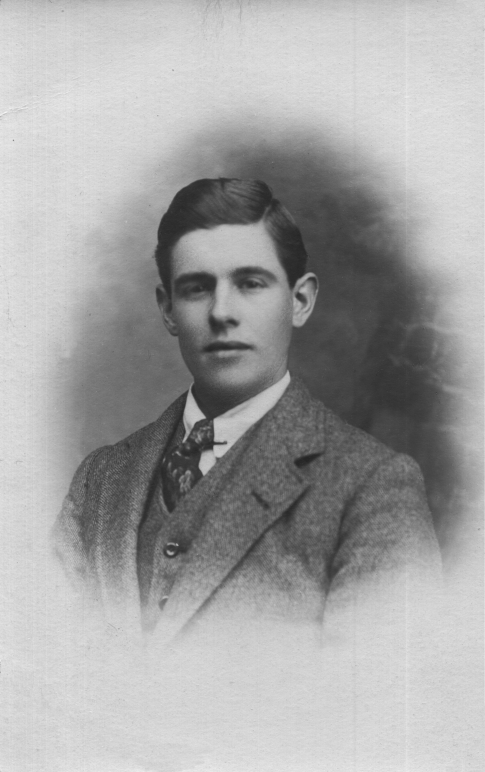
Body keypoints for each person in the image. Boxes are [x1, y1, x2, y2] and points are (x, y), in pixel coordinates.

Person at [53, 178, 441, 648]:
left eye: (250, 284)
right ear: (168, 309)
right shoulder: (100, 480)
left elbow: (372, 686)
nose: (222, 312)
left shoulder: (373, 488)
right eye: (197, 288)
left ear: (299, 301)